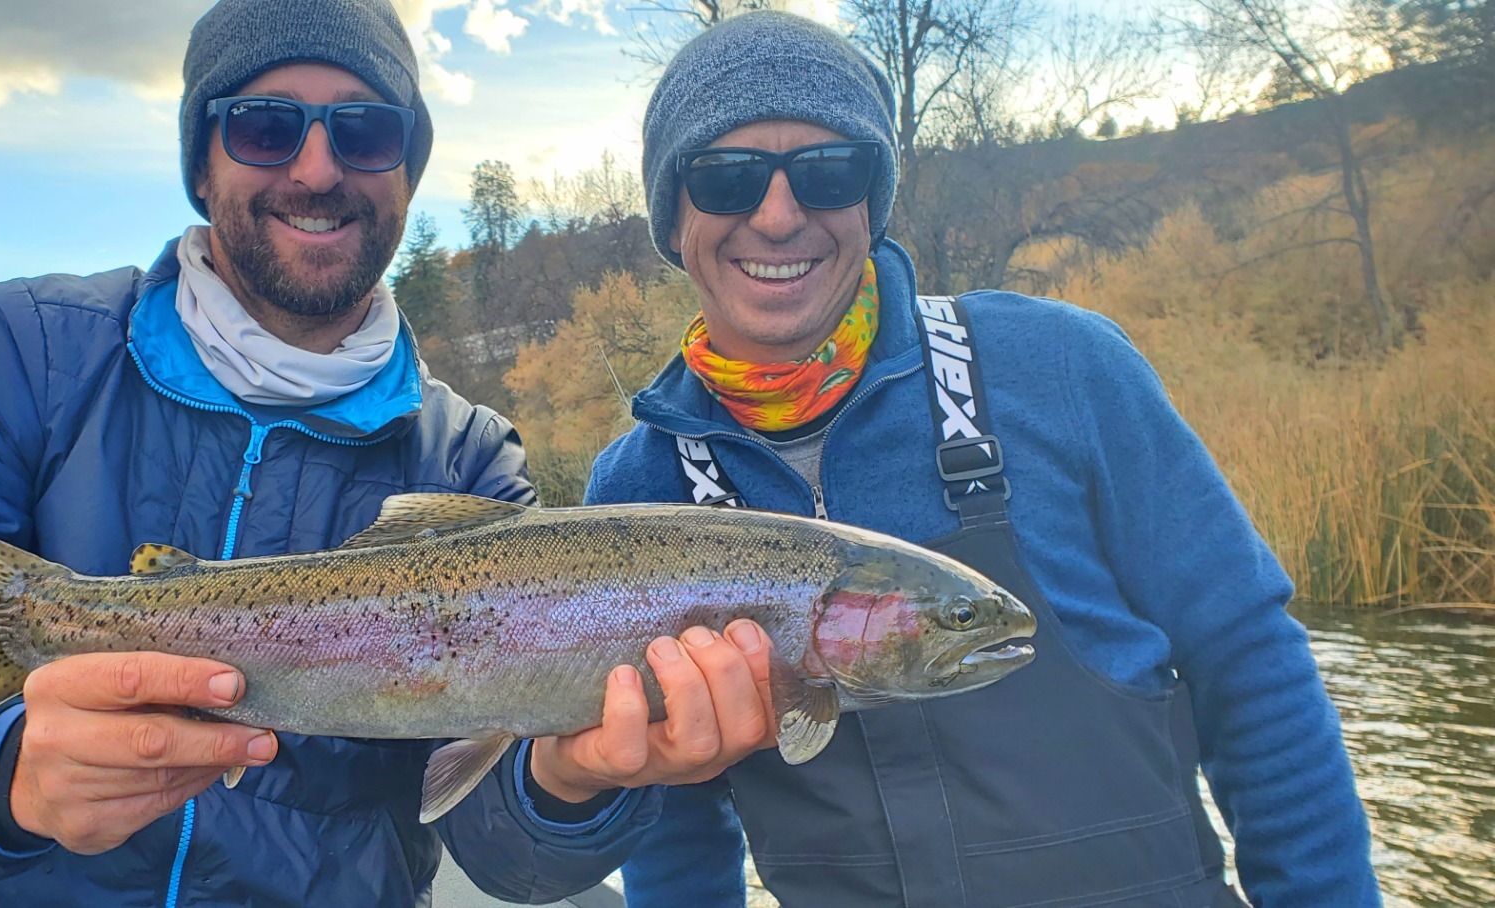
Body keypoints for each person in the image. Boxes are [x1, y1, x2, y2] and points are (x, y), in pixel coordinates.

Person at [0, 1, 777, 904]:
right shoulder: (20, 349)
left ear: (404, 173)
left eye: (364, 129)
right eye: (264, 124)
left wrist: (574, 779)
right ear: (202, 161)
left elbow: (498, 848)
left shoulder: (470, 459)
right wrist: (3, 771)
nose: (315, 169)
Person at [592, 11, 1382, 908]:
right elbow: (674, 824)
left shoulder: (1063, 367)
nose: (778, 216)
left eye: (828, 171)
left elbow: (1251, 667)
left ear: (870, 197)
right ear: (674, 212)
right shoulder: (638, 487)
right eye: (726, 177)